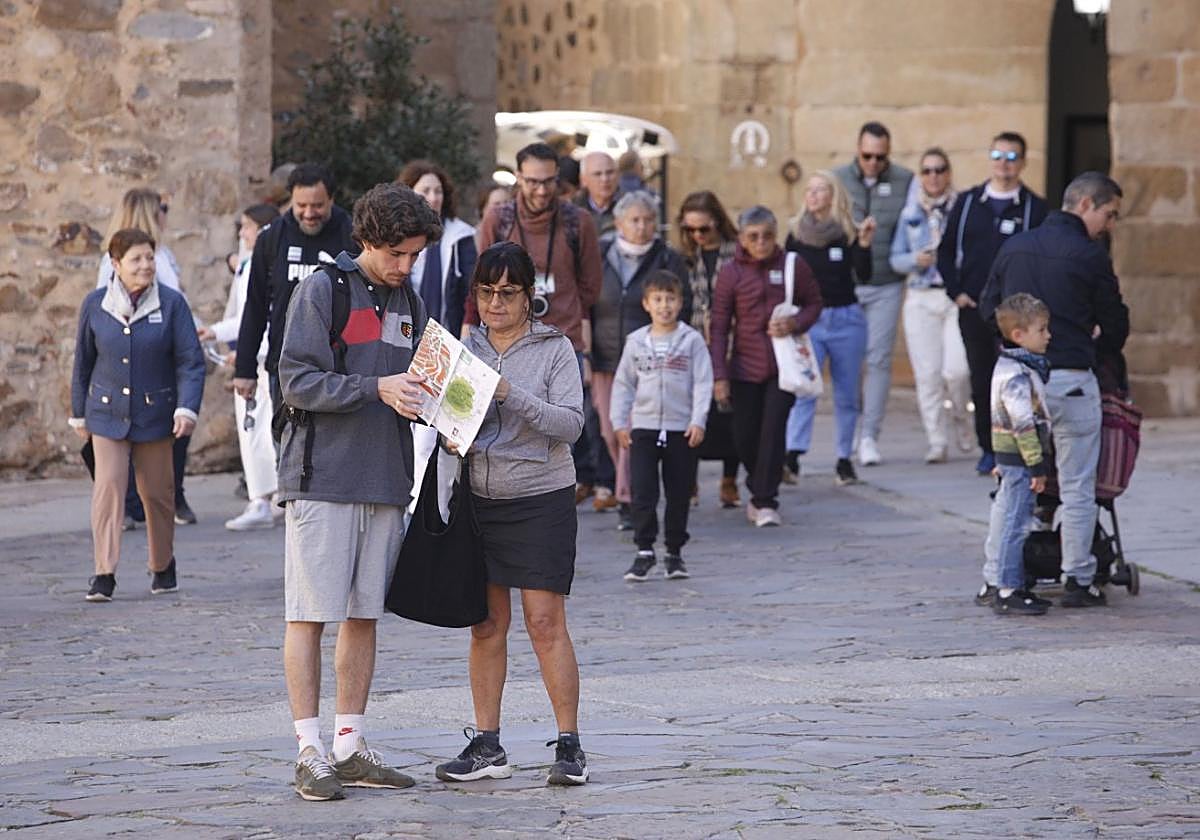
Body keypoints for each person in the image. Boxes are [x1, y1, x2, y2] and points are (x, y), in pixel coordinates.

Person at [276, 183, 442, 801]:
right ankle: (308, 750)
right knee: (309, 613)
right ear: (367, 240)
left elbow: (421, 383)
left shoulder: (411, 300)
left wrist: (447, 414)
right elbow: (296, 380)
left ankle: (349, 744)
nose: (405, 267)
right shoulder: (321, 290)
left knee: (364, 613)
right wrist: (376, 389)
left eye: (415, 256)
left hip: (387, 478)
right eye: (396, 254)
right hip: (323, 477)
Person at [434, 241, 589, 787]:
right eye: (486, 292)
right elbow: (451, 417)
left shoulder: (554, 348)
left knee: (544, 622)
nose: (495, 304)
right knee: (485, 624)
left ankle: (569, 745)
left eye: (507, 293)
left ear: (529, 297)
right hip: (480, 496)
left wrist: (508, 393)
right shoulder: (463, 346)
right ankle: (486, 744)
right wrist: (452, 435)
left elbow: (571, 424)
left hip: (541, 497)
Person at [979, 171, 1128, 609]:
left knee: (1012, 484)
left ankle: (995, 577)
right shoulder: (1088, 254)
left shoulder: (1015, 246)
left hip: (1019, 380)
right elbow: (1117, 323)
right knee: (1079, 486)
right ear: (1084, 205)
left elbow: (990, 308)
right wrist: (1093, 343)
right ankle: (1078, 578)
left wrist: (1017, 346)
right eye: (1109, 214)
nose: (1110, 225)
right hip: (1072, 379)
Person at [466, 142, 603, 516]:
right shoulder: (500, 217)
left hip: (561, 339)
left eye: (548, 182)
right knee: (504, 426)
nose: (541, 191)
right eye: (532, 182)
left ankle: (548, 507)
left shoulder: (578, 222)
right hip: (504, 339)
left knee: (560, 431)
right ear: (518, 179)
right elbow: (482, 277)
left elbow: (591, 285)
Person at [71, 228, 205, 602]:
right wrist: (79, 413)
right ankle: (104, 573)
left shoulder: (173, 304)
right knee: (108, 489)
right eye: (136, 259)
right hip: (105, 412)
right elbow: (82, 363)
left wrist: (187, 407)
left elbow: (190, 362)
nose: (145, 265)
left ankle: (162, 565)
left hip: (156, 414)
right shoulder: (96, 304)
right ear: (115, 264)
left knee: (157, 494)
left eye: (150, 257)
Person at [937, 132, 1049, 475]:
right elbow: (945, 251)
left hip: (1017, 314)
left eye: (1012, 157)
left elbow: (1041, 259)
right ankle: (989, 447)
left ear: (1023, 163)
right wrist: (956, 292)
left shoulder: (1035, 208)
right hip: (974, 310)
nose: (1004, 163)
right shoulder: (969, 202)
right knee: (982, 378)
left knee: (1021, 382)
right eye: (998, 155)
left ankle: (1024, 447)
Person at [709, 206, 822, 527]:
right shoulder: (731, 273)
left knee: (773, 431)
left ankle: (764, 499)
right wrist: (720, 375)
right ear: (742, 239)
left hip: (783, 368)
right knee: (744, 436)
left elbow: (815, 302)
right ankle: (758, 484)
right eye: (753, 237)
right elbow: (719, 327)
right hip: (743, 368)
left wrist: (796, 322)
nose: (761, 243)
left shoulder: (792, 266)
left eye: (767, 236)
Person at [94, 188, 198, 526]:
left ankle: (163, 496)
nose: (167, 214)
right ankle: (134, 502)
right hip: (140, 352)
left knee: (170, 429)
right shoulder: (121, 261)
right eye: (163, 208)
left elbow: (176, 303)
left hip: (164, 350)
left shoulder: (162, 255)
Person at [589, 190, 689, 530]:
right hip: (604, 356)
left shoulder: (667, 258)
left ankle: (631, 499)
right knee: (610, 429)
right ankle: (631, 490)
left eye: (648, 220)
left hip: (648, 358)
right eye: (635, 220)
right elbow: (587, 298)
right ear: (618, 223)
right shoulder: (601, 253)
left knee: (634, 431)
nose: (643, 226)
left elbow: (682, 304)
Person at [611, 271, 712, 581]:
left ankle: (674, 552)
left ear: (680, 303)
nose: (664, 306)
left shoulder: (691, 341)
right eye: (658, 300)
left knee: (679, 492)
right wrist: (619, 422)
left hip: (681, 429)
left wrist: (698, 420)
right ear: (646, 304)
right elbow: (624, 383)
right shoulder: (636, 342)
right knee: (643, 492)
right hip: (643, 428)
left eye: (670, 300)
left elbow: (703, 383)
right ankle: (644, 550)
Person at [233, 163, 356, 411]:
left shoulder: (352, 234)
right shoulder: (272, 238)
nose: (309, 213)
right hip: (285, 367)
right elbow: (255, 305)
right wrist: (244, 368)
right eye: (301, 206)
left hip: (340, 368)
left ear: (331, 199)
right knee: (287, 447)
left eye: (318, 205)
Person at [784, 172, 876, 486]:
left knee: (848, 394)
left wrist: (863, 245)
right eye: (809, 190)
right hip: (810, 320)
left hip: (846, 319)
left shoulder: (847, 231)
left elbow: (863, 274)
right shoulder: (796, 233)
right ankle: (792, 455)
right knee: (804, 389)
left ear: (832, 195)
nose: (812, 195)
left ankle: (843, 459)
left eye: (820, 190)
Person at [833, 121, 913, 467]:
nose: (873, 163)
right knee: (848, 362)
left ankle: (869, 436)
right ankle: (848, 432)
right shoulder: (838, 178)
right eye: (867, 156)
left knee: (879, 359)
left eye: (880, 157)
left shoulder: (905, 180)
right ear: (857, 150)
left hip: (886, 282)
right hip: (847, 283)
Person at [198, 203, 280, 530]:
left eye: (247, 227)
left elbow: (270, 319)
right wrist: (215, 332)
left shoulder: (270, 266)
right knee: (252, 433)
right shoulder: (247, 267)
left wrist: (247, 352)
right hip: (254, 361)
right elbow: (244, 319)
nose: (242, 234)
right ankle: (261, 496)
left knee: (266, 430)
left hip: (267, 362)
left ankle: (268, 498)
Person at [889, 148, 973, 464]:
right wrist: (914, 259)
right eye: (927, 171)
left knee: (956, 371)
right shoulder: (910, 212)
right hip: (921, 295)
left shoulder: (962, 207)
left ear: (948, 173)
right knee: (927, 375)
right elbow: (894, 258)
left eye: (939, 170)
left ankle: (962, 419)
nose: (933, 176)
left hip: (952, 296)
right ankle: (936, 440)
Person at [984, 293, 1054, 616]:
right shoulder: (1016, 374)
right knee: (1016, 523)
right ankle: (1009, 587)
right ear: (1018, 335)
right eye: (1042, 330)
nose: (1048, 335)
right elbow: (1022, 423)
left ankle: (995, 581)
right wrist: (1036, 464)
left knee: (1007, 518)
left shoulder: (1012, 366)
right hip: (1020, 461)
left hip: (1010, 458)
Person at [677, 190, 742, 508]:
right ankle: (689, 482)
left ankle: (730, 480)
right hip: (694, 342)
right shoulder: (685, 256)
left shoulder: (738, 251)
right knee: (693, 411)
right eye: (690, 229)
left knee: (730, 412)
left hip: (733, 341)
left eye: (704, 229)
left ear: (717, 223)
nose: (697, 235)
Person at [398, 159, 478, 338]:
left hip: (450, 336)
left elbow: (472, 289)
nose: (433, 198)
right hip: (403, 337)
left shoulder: (460, 236)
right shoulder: (396, 236)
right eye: (425, 191)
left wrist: (468, 330)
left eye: (438, 191)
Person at [573, 150, 622, 239]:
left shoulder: (630, 206)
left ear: (618, 175)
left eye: (610, 172)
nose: (605, 179)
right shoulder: (571, 210)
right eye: (597, 174)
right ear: (583, 179)